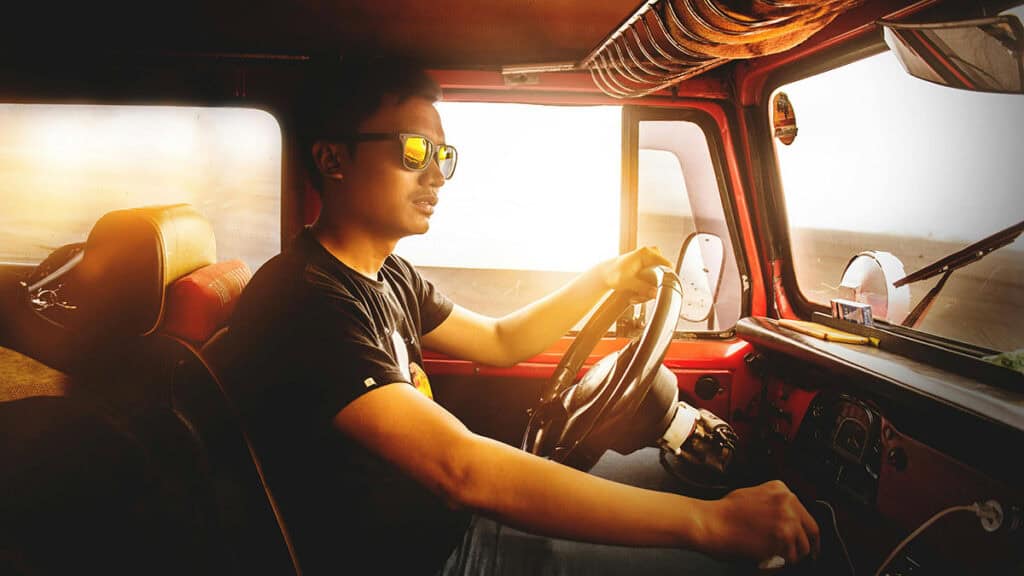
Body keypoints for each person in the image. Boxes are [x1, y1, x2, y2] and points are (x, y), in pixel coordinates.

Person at [225, 55, 819, 575]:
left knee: (669, 474)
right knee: (710, 556)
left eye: (443, 155)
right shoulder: (305, 303)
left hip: (447, 525)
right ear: (333, 158)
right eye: (413, 151)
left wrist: (602, 278)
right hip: (427, 558)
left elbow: (502, 340)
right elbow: (462, 469)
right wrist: (710, 526)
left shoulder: (388, 276)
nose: (436, 174)